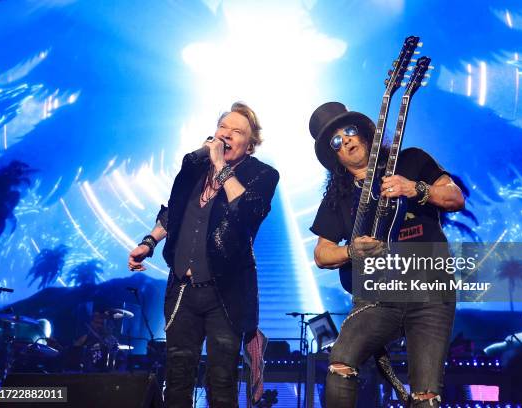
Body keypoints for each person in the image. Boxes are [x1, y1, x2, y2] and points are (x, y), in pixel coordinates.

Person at [308, 102, 464, 407]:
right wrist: (352, 250)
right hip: (378, 297)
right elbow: (322, 254)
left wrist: (416, 189)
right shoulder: (337, 197)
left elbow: (455, 197)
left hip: (430, 289)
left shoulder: (411, 160)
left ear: (366, 133)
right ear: (335, 155)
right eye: (337, 141)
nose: (347, 140)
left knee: (426, 393)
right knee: (340, 363)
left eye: (350, 131)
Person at [128, 102, 279, 408]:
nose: (227, 134)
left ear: (249, 145)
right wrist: (149, 242)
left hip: (225, 293)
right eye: (223, 127)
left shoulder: (262, 175)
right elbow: (174, 212)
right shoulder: (195, 169)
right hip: (183, 290)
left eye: (237, 132)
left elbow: (248, 212)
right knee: (178, 376)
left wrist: (221, 167)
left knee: (221, 380)